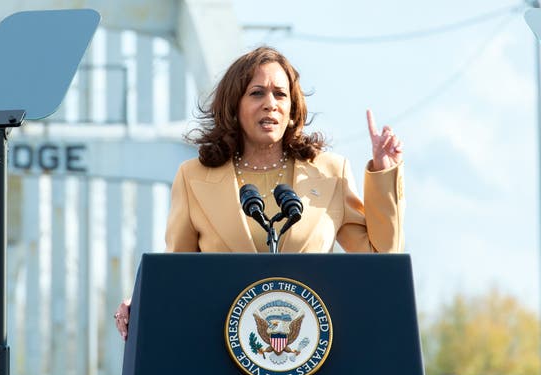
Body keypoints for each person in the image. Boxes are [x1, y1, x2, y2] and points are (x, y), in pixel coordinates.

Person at [114, 46, 405, 340]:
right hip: (221, 347)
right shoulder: (193, 178)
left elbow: (379, 258)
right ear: (234, 106)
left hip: (309, 347)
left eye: (280, 94)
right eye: (256, 93)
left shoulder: (331, 172)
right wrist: (140, 303)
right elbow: (176, 275)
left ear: (292, 109)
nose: (270, 104)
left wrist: (384, 173)